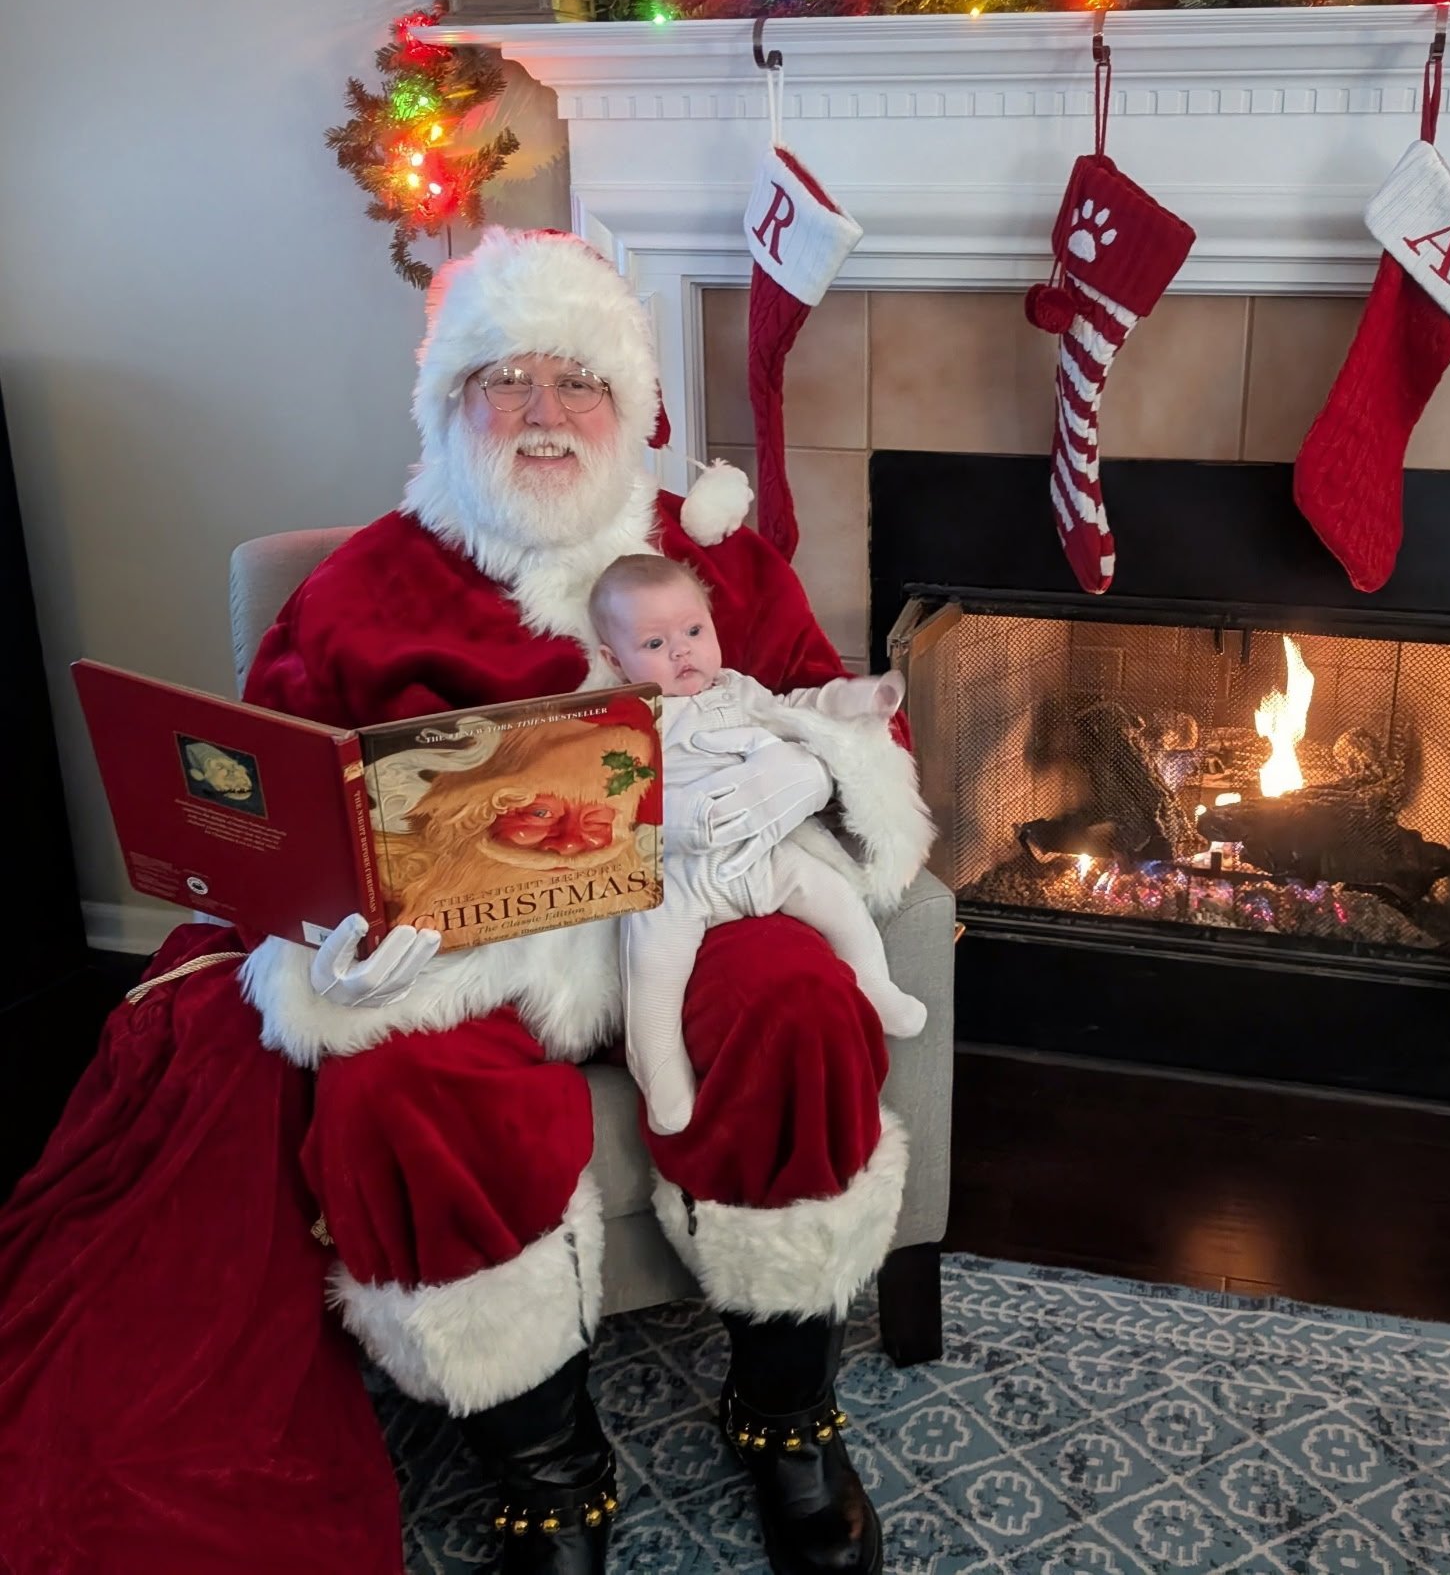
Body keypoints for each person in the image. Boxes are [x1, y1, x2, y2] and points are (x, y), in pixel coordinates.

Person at [0, 228, 932, 1575]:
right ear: (452, 405)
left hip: (703, 901)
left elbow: (847, 716)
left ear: (630, 407)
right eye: (510, 379)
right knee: (399, 1091)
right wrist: (329, 939)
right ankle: (547, 1468)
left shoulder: (713, 559)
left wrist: (803, 772)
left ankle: (786, 1408)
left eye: (579, 381)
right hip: (479, 950)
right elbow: (274, 804)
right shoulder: (357, 592)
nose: (546, 412)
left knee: (798, 1003)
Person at [590, 551, 929, 1136]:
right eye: (654, 644)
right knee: (651, 966)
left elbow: (795, 709)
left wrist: (849, 700)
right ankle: (661, 1070)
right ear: (614, 661)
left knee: (836, 901)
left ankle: (873, 982)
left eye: (694, 631)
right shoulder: (626, 720)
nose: (682, 652)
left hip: (761, 856)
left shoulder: (736, 691)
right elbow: (615, 801)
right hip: (679, 876)